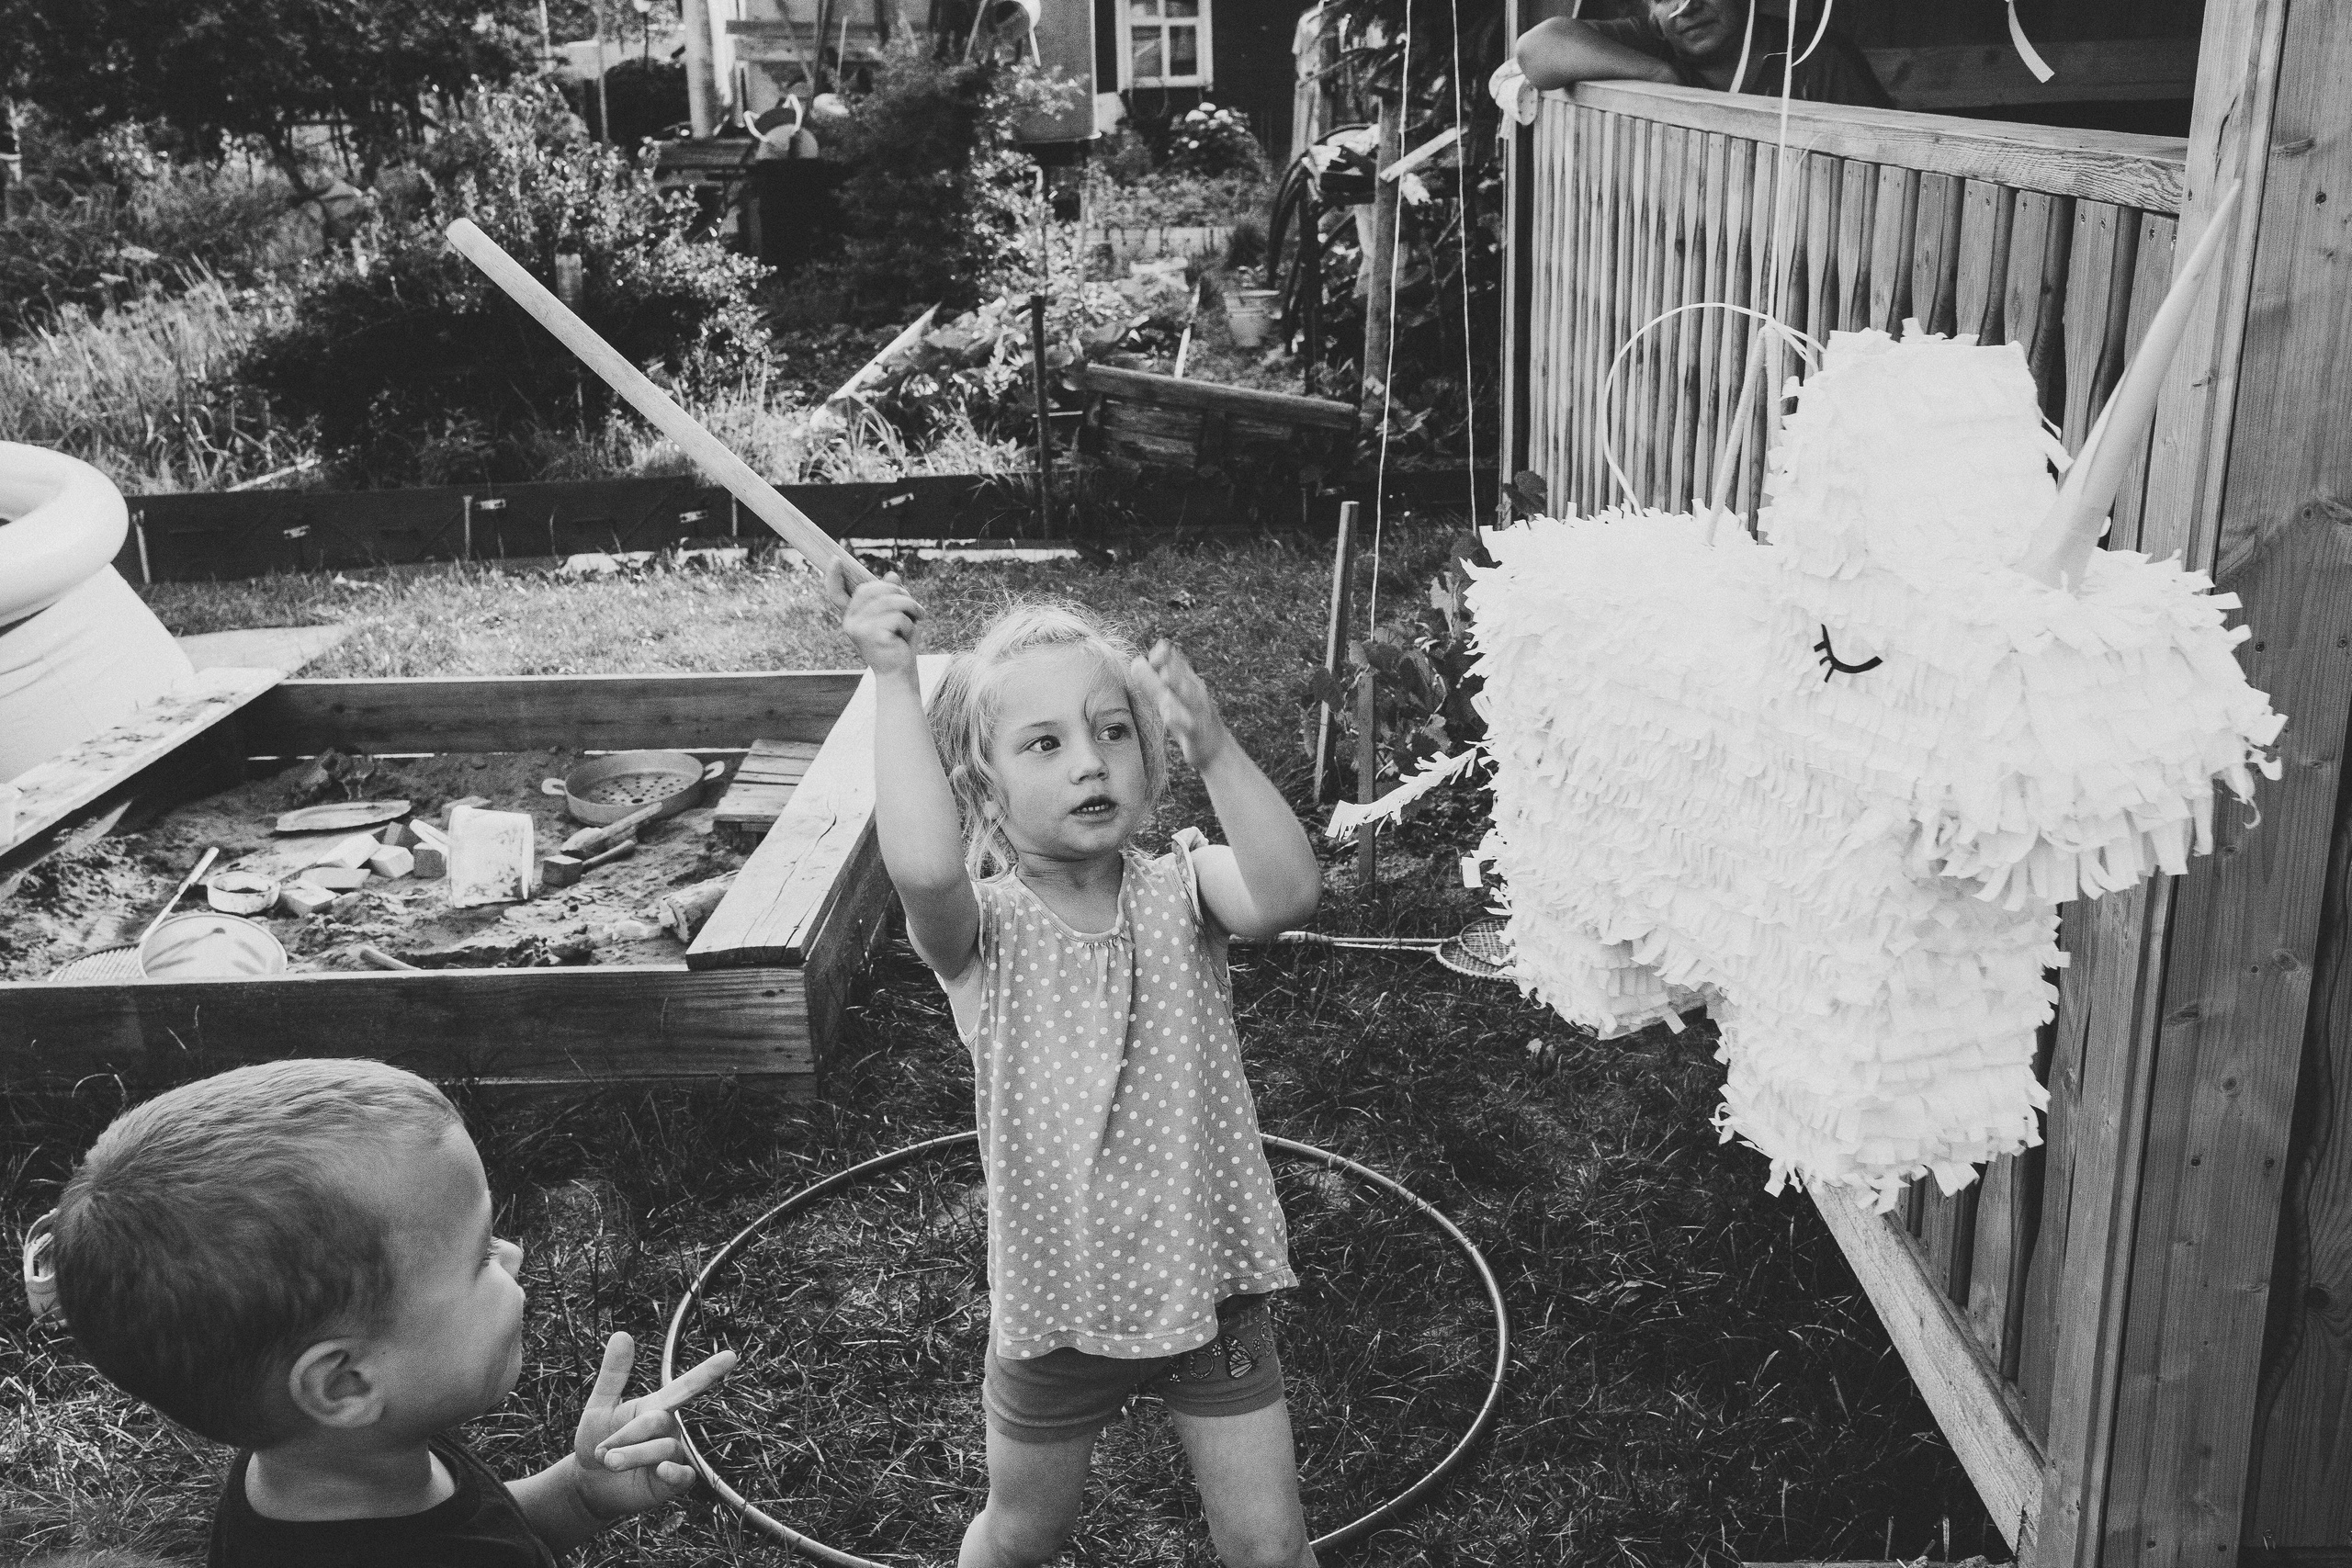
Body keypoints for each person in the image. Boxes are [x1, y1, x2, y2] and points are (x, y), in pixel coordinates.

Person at [831, 565, 1325, 1568]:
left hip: (1208, 1286)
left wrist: (1219, 747)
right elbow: (923, 866)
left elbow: (1285, 894)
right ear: (980, 786)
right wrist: (892, 680)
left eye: (1112, 732)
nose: (1089, 763)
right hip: (1061, 1312)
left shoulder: (1186, 889)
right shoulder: (981, 936)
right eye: (1044, 744)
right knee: (1023, 1535)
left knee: (1271, 1546)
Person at [40, 1058, 738, 1567]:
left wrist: (581, 1493)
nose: (516, 1254)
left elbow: (480, 1527)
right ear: (345, 1384)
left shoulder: (316, 1471)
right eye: (479, 1256)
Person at [1512, 0, 1891, 108]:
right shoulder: (1655, 42)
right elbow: (1538, 48)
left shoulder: (1818, 58)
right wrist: (1659, 76)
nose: (1686, 8)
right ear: (1653, 16)